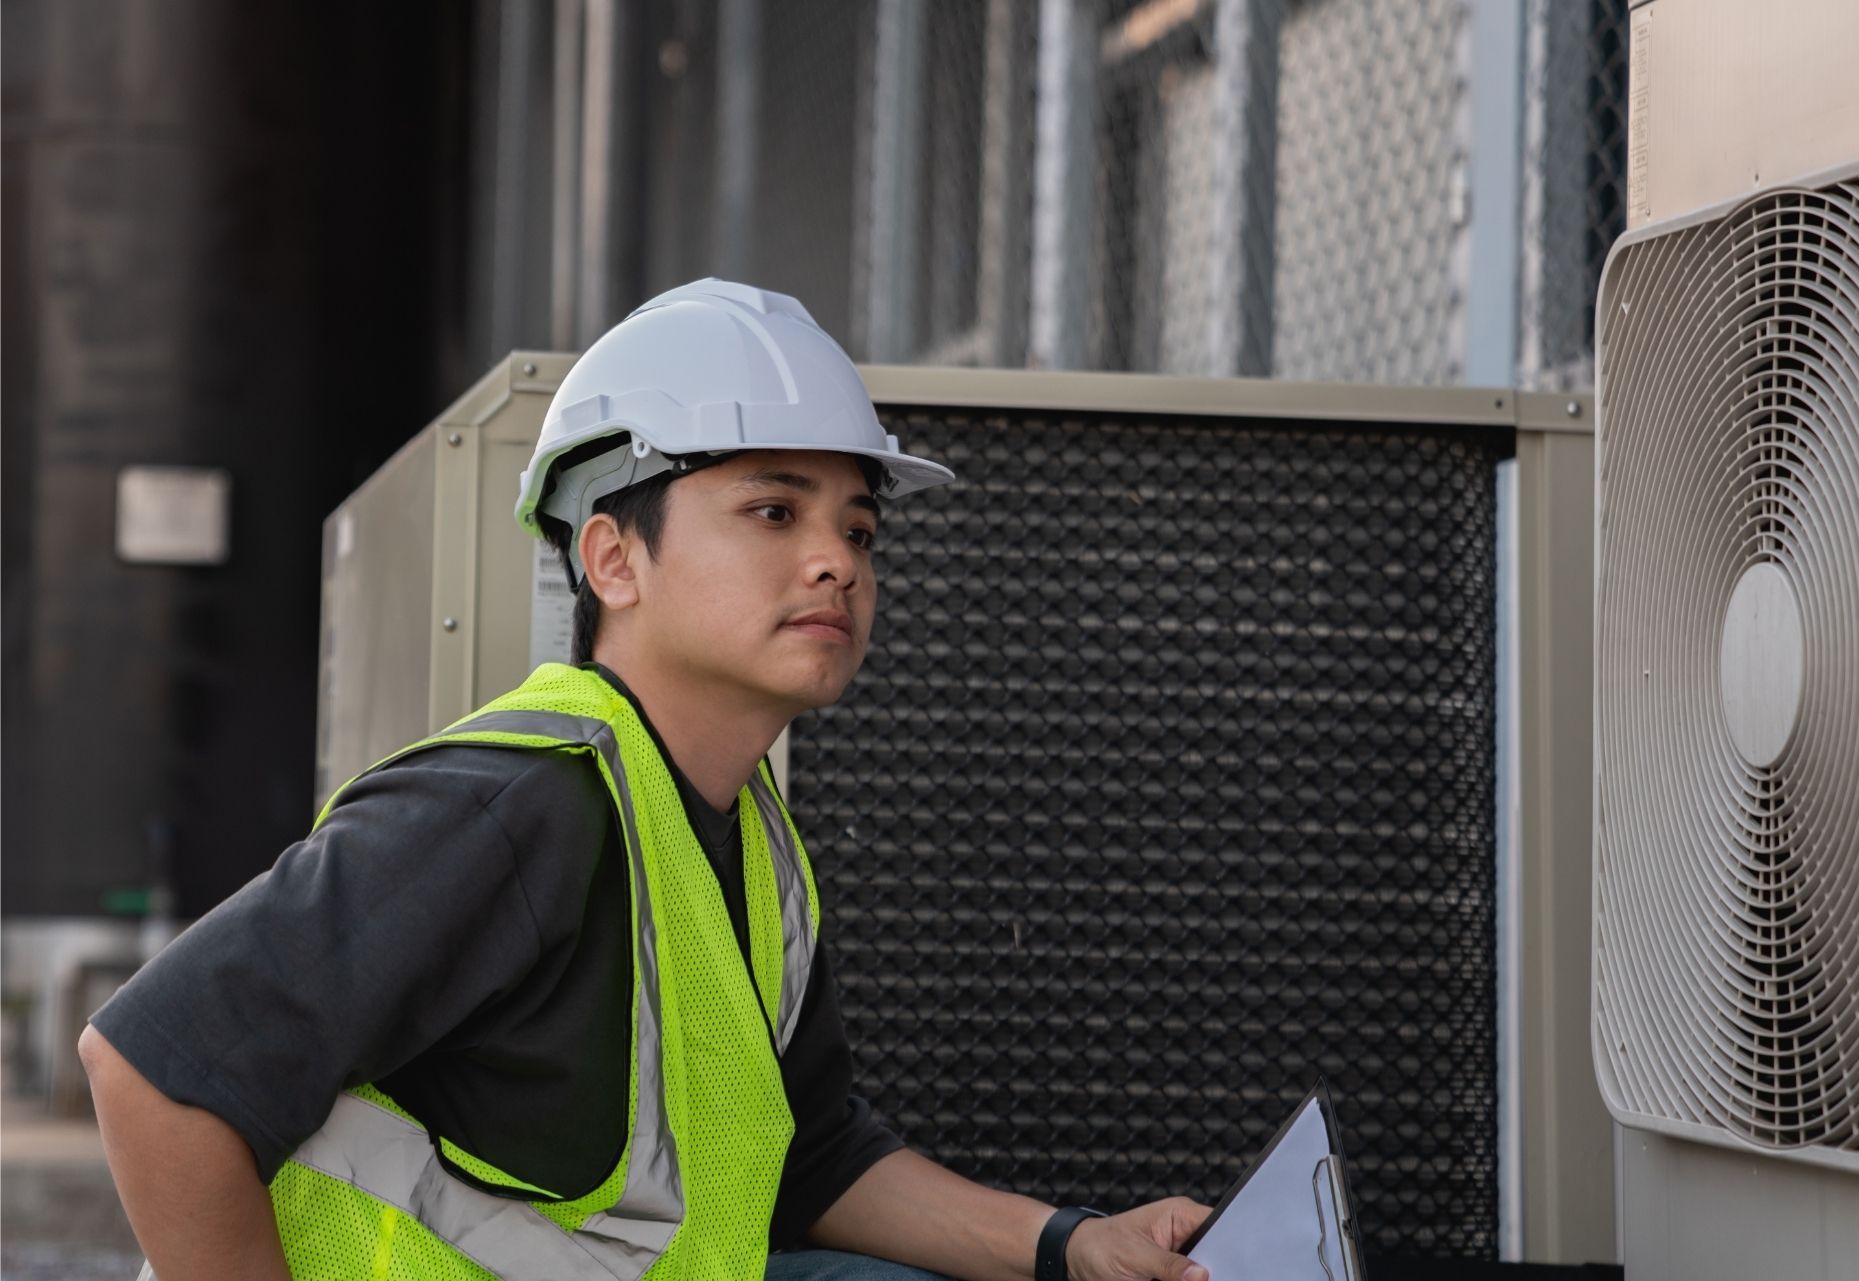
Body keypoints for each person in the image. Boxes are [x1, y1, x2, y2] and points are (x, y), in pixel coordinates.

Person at [80, 279, 1211, 1281]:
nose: (838, 561)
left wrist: (1071, 1245)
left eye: (860, 530)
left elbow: (809, 1156)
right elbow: (149, 1070)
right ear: (613, 558)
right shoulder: (517, 802)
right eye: (775, 512)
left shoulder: (747, 841)